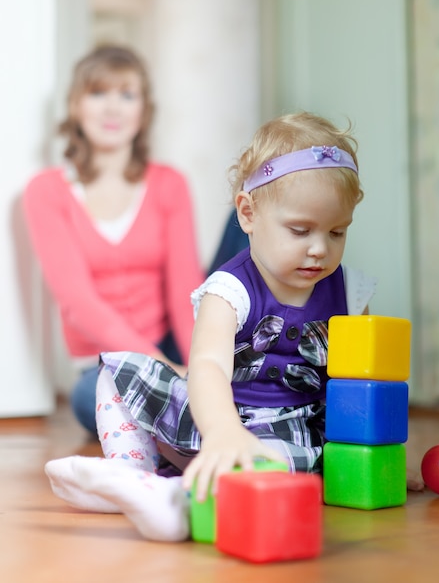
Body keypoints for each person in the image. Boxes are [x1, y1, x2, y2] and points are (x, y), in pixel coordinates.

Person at [44, 111, 419, 543]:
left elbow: (364, 386)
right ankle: (134, 472)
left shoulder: (351, 292)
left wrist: (377, 456)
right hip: (214, 413)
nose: (320, 249)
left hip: (289, 426)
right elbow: (206, 368)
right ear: (248, 214)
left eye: (337, 232)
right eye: (300, 230)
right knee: (119, 370)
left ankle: (177, 502)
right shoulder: (228, 290)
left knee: (281, 465)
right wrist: (224, 432)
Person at [23, 45, 204, 436]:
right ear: (75, 105)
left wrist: (202, 368)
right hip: (104, 364)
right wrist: (166, 370)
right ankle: (198, 411)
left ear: (143, 111)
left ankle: (202, 403)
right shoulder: (46, 191)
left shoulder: (169, 183)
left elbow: (185, 289)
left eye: (127, 94)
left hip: (174, 344)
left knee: (251, 218)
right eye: (98, 93)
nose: (113, 108)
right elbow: (78, 303)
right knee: (90, 400)